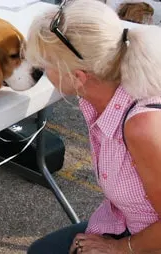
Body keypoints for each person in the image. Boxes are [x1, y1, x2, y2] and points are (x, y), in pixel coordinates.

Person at [25, 0, 161, 253]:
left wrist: (120, 248)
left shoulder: (142, 127)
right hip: (126, 221)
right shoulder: (105, 88)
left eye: (46, 64)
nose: (42, 71)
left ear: (78, 77)